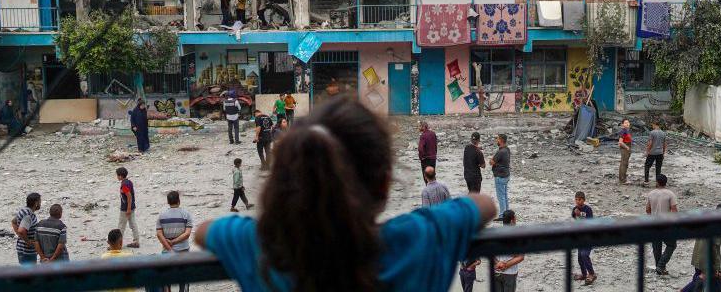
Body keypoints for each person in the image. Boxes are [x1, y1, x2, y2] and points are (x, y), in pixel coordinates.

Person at [194, 100, 496, 292]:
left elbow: (204, 232)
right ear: (385, 183)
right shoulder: (417, 239)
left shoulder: (260, 249)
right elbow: (484, 205)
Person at [681, 203, 721, 292]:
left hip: (702, 261)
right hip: (706, 264)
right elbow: (709, 249)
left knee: (703, 283)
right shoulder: (716, 227)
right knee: (706, 282)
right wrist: (708, 270)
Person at [157, 191, 194, 292]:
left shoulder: (161, 215)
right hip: (183, 251)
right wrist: (174, 242)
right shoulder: (186, 214)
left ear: (168, 201)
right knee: (184, 279)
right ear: (179, 201)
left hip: (166, 252)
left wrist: (170, 247)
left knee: (166, 280)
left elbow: (159, 235)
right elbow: (187, 234)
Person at [646, 174, 678, 276]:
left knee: (656, 247)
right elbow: (674, 210)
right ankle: (661, 265)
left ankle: (659, 267)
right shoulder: (670, 194)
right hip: (666, 224)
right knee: (671, 245)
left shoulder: (651, 194)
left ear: (657, 182)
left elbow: (647, 210)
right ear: (665, 182)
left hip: (654, 223)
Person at [494, 210, 524, 292]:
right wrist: (505, 265)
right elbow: (520, 257)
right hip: (510, 273)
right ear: (512, 220)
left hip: (496, 270)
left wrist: (498, 264)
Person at [571, 191, 596, 286]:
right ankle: (584, 274)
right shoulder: (574, 209)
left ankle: (592, 274)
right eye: (576, 199)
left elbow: (590, 220)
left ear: (584, 200)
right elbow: (573, 216)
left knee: (585, 254)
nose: (578, 201)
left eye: (580, 200)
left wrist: (580, 214)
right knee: (580, 258)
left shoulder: (588, 209)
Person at [12, 192, 41, 264]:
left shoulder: (23, 210)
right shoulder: (29, 215)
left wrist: (19, 235)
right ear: (36, 203)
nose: (40, 204)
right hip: (27, 252)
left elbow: (13, 222)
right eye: (40, 201)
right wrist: (28, 242)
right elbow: (21, 230)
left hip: (21, 248)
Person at [117, 167, 140, 248]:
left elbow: (129, 196)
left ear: (120, 176)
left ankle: (117, 244)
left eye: (117, 175)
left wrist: (128, 209)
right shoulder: (129, 182)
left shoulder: (124, 185)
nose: (117, 177)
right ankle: (136, 241)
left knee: (121, 226)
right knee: (133, 223)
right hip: (132, 206)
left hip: (126, 208)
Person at [491, 133, 511, 220]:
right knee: (505, 195)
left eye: (498, 139)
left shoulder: (501, 151)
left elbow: (492, 161)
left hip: (500, 176)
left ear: (501, 140)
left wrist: (492, 161)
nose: (497, 140)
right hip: (506, 175)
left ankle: (502, 215)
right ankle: (507, 213)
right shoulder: (507, 149)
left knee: (501, 197)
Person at [618, 119, 633, 184]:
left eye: (628, 122)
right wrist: (627, 147)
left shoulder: (627, 131)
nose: (627, 124)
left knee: (625, 163)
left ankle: (624, 178)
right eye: (625, 123)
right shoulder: (623, 131)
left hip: (627, 147)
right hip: (625, 148)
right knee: (623, 164)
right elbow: (620, 142)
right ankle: (622, 180)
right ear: (622, 124)